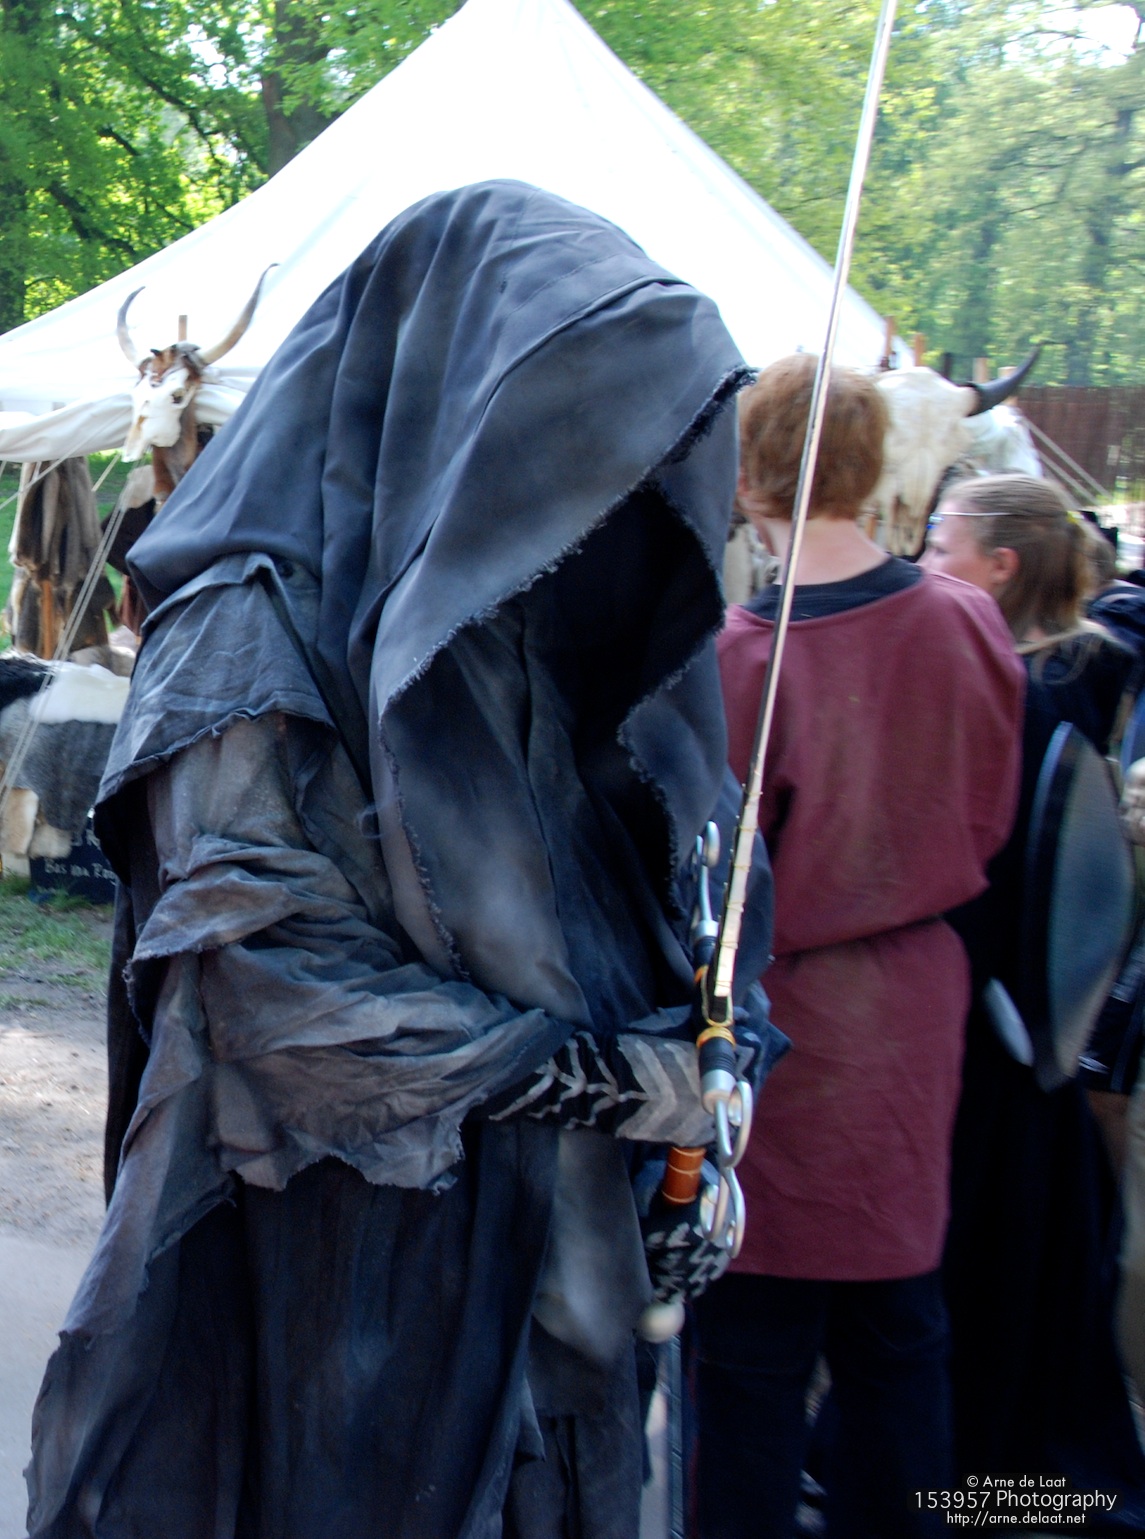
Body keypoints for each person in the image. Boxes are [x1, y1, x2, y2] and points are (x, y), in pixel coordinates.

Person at [25, 181, 780, 1539]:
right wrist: (623, 1088)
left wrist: (712, 1112)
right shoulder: (247, 630)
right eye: (575, 429)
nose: (610, 479)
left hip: (565, 1312)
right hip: (346, 1300)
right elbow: (272, 992)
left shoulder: (570, 617)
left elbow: (695, 893)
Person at [693, 355, 1025, 1539]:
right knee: (896, 1340)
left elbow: (707, 877)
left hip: (789, 1023)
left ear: (747, 479)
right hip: (915, 1002)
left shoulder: (739, 659)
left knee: (752, 1355)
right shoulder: (966, 620)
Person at [921, 474, 1145, 1524]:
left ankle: (986, 1486)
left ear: (999, 566)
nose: (925, 562)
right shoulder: (1072, 674)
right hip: (1024, 1044)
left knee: (993, 1279)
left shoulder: (1025, 695)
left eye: (941, 544)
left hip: (995, 1039)